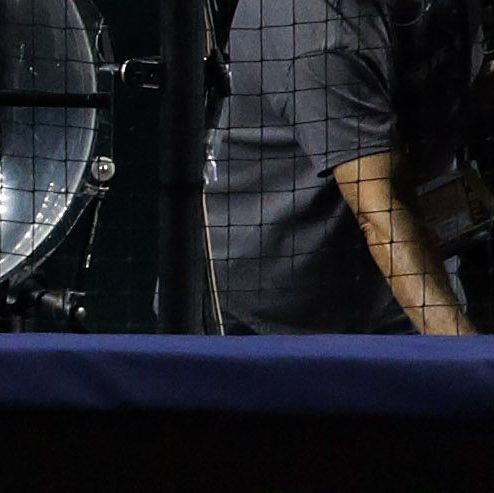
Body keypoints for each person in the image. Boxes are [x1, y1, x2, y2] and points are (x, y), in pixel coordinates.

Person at [207, 0, 487, 333]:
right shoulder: (317, 25)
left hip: (403, 292)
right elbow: (383, 211)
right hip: (272, 317)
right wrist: (468, 364)